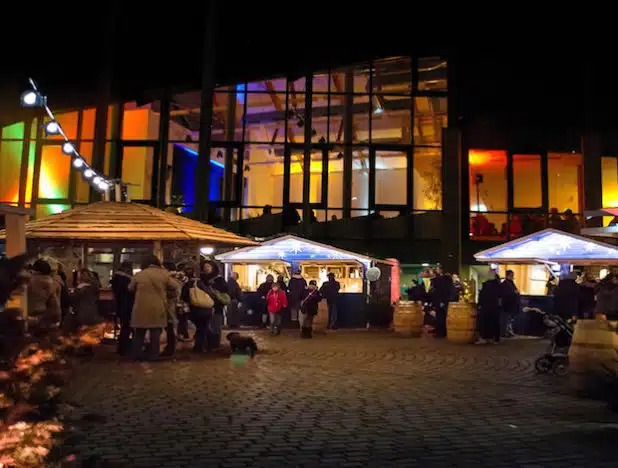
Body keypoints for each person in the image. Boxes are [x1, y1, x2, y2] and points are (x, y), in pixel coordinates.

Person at [129, 255, 178, 361]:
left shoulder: (139, 274)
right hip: (158, 307)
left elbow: (130, 288)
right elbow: (175, 286)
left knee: (139, 332)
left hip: (140, 307)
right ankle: (153, 355)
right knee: (155, 332)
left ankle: (136, 354)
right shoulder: (163, 274)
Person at [181, 265, 212, 353]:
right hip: (206, 309)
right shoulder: (203, 283)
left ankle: (200, 345)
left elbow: (184, 296)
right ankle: (202, 346)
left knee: (200, 328)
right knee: (203, 328)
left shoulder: (187, 284)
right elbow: (210, 294)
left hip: (194, 309)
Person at [201, 260, 229, 349]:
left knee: (215, 326)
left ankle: (214, 345)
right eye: (205, 267)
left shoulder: (219, 279)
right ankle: (206, 344)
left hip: (216, 306)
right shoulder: (201, 279)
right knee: (205, 326)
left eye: (208, 267)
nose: (206, 269)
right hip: (204, 306)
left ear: (213, 268)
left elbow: (224, 290)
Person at [28, 259, 61, 329]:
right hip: (43, 323)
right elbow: (55, 308)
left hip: (27, 321)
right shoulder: (51, 283)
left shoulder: (26, 282)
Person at [110, 261, 134, 355]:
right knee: (127, 327)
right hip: (127, 306)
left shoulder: (117, 279)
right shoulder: (125, 280)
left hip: (121, 306)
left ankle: (122, 347)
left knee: (125, 326)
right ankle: (124, 348)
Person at [476, 269, 503, 344]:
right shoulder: (498, 285)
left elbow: (482, 296)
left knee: (485, 322)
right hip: (494, 306)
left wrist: (479, 304)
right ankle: (495, 338)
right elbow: (500, 296)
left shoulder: (486, 284)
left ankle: (485, 337)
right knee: (494, 322)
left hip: (486, 306)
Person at [162, 263, 182, 357]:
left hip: (170, 305)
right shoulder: (176, 278)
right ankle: (170, 347)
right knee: (170, 326)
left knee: (170, 326)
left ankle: (170, 348)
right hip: (172, 305)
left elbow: (175, 292)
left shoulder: (171, 279)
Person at [429, 266, 455, 338]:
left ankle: (441, 333)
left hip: (442, 301)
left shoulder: (443, 279)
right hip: (442, 300)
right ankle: (441, 332)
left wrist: (442, 301)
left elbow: (443, 290)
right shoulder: (441, 279)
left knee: (441, 317)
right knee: (441, 317)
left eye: (437, 269)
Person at [501, 270, 520, 338]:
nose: (512, 277)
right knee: (507, 319)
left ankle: (508, 332)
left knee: (509, 319)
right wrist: (515, 293)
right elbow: (511, 293)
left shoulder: (509, 283)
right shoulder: (506, 284)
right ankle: (506, 332)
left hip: (510, 305)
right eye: (511, 275)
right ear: (507, 275)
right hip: (508, 305)